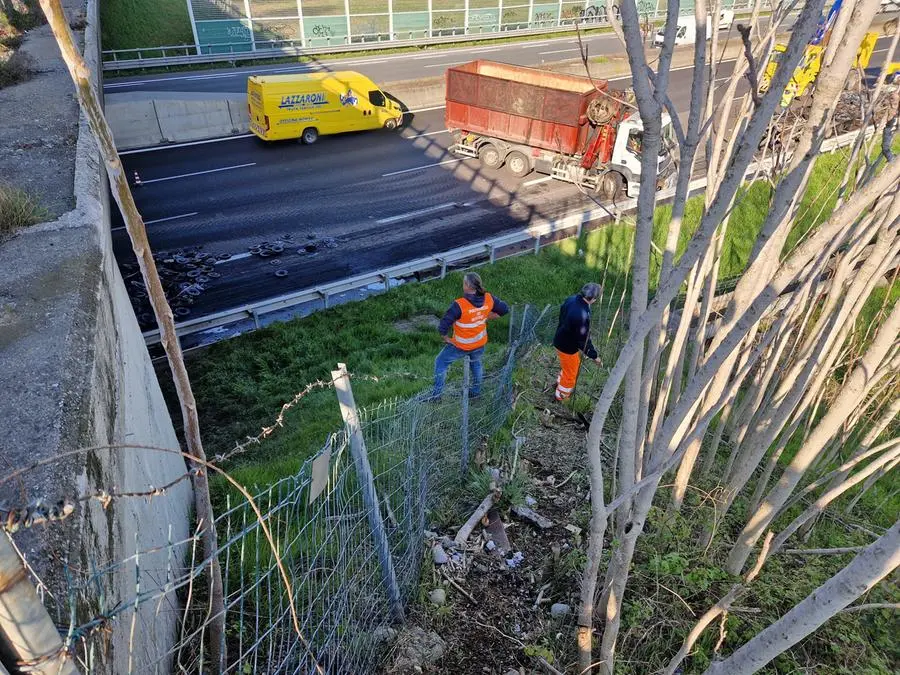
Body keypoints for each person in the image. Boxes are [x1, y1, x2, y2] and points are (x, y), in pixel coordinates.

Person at [430, 272, 509, 401]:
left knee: (440, 362)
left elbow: (443, 326)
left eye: (463, 283)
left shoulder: (459, 305)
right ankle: (476, 392)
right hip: (479, 343)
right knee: (476, 364)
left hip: (461, 346)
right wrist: (487, 316)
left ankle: (436, 396)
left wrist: (446, 338)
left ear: (467, 286)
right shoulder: (489, 298)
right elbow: (504, 309)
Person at [552, 283, 602, 402]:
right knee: (571, 373)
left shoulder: (572, 299)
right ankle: (561, 396)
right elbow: (582, 340)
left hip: (560, 338)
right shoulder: (582, 316)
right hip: (567, 347)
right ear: (593, 299)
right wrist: (594, 356)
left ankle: (560, 382)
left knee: (569, 366)